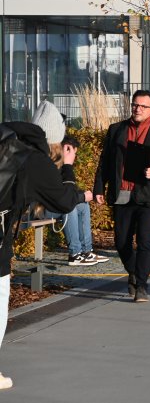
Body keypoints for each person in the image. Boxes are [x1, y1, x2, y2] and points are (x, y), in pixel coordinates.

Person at [0, 119, 86, 389]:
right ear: (56, 141)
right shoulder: (34, 160)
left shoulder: (7, 140)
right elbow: (64, 200)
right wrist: (68, 166)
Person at [94, 90, 150, 303]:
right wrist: (99, 188)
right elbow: (105, 161)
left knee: (145, 242)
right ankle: (133, 272)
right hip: (122, 193)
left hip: (148, 194)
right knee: (121, 242)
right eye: (134, 105)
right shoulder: (116, 130)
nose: (137, 109)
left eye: (142, 106)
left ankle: (141, 286)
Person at [32, 101, 107, 266]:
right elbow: (63, 198)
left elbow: (63, 193)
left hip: (48, 205)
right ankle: (75, 253)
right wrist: (67, 165)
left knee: (82, 206)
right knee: (70, 207)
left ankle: (86, 251)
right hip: (37, 209)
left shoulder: (50, 159)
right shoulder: (45, 161)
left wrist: (81, 197)